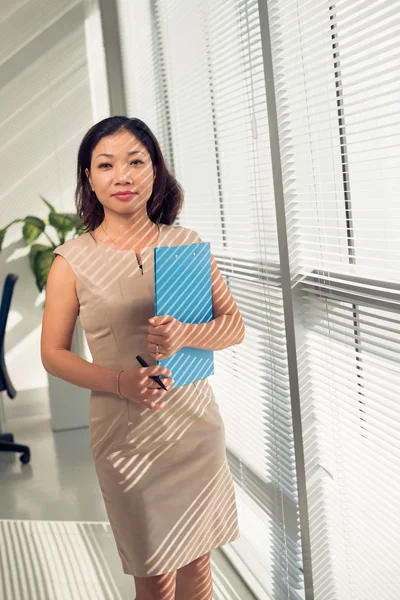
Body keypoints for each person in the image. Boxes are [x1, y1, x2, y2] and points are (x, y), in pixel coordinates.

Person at [41, 116, 245, 600]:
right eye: (106, 165)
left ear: (156, 170)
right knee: (153, 575)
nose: (123, 175)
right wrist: (121, 383)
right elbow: (52, 354)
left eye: (137, 161)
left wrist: (186, 335)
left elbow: (233, 327)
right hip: (125, 436)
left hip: (194, 427)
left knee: (198, 564)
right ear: (89, 178)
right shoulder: (71, 260)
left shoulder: (186, 245)